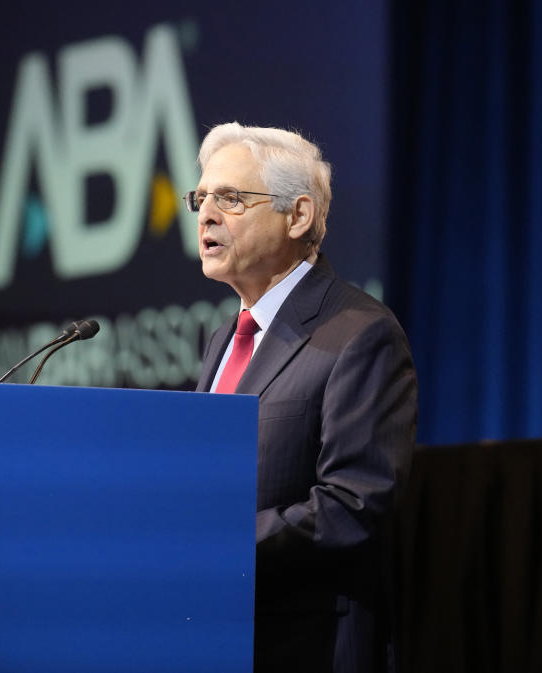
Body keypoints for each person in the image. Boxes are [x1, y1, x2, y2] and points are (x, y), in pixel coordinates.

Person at [187, 122, 418, 673]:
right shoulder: (224, 339)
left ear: (299, 216)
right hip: (212, 636)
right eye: (202, 197)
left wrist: (211, 543)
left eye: (232, 198)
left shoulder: (359, 332)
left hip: (305, 645)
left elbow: (353, 506)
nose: (206, 214)